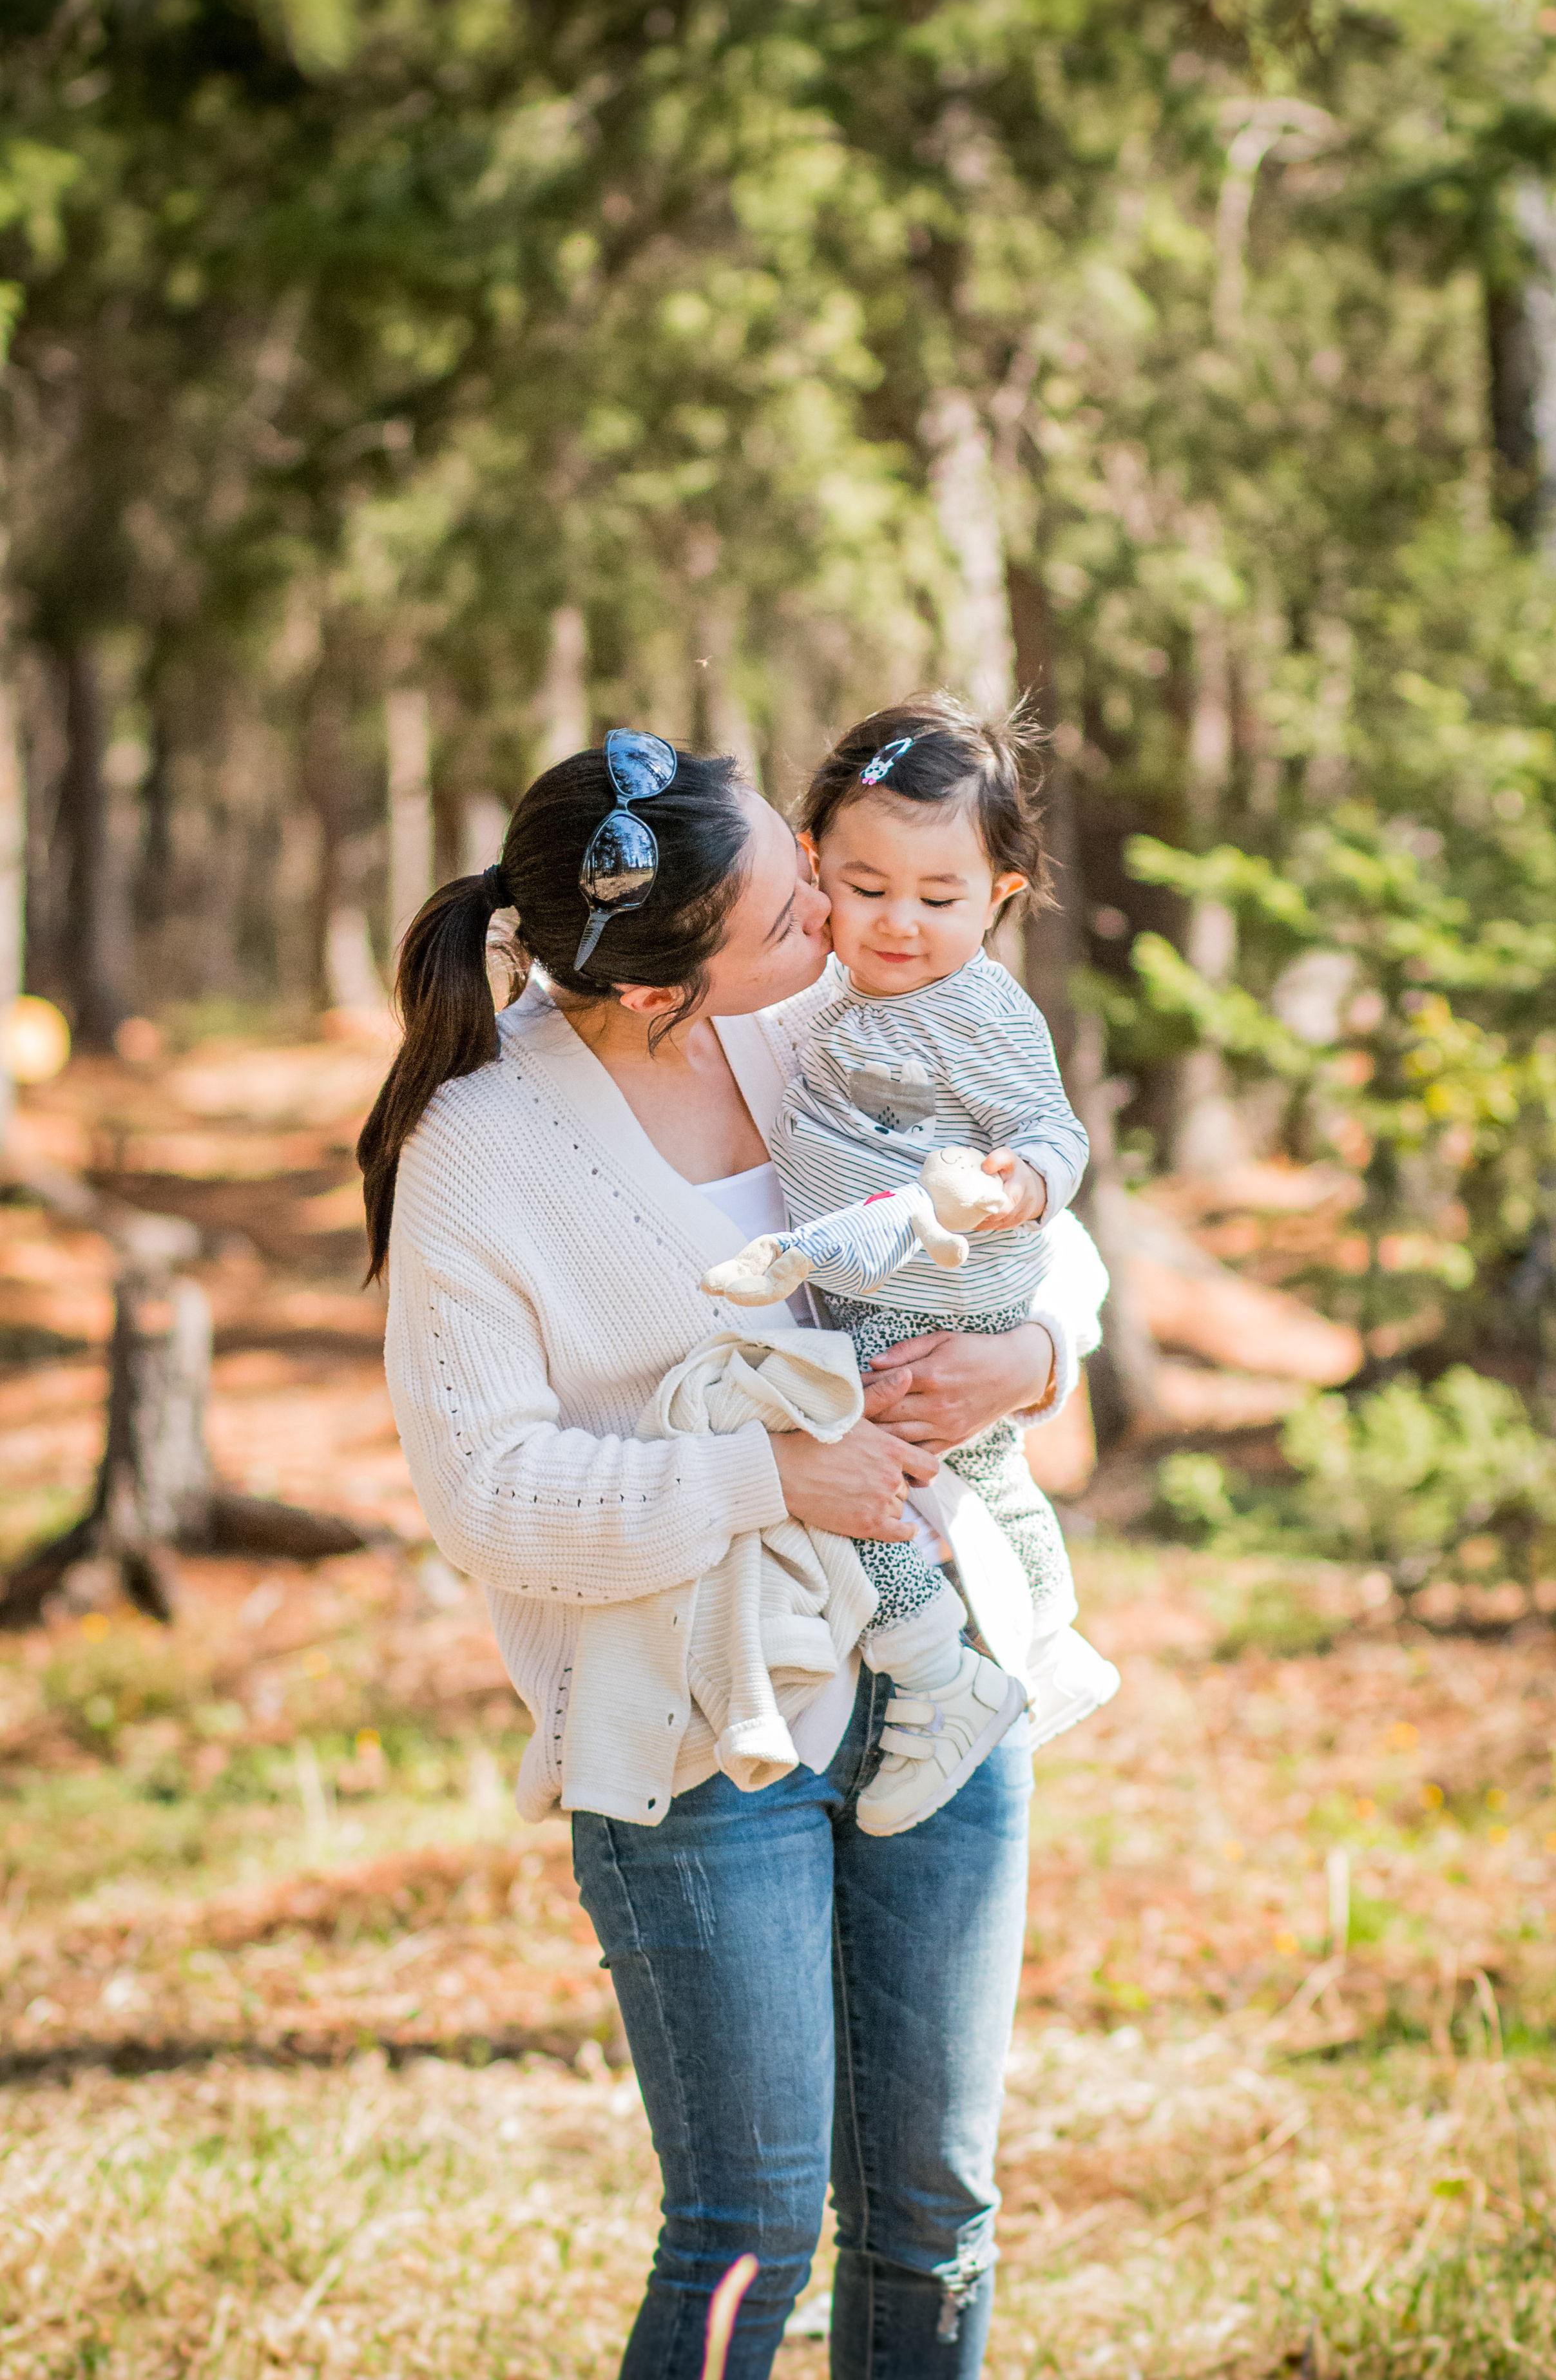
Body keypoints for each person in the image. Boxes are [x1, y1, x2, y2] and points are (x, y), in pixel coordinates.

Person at [360, 722, 1107, 2380]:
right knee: (752, 2230)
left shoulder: (832, 1024)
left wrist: (1039, 1353)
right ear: (656, 992)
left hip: (946, 1676)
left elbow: (1025, 1220)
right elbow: (489, 1493)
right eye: (795, 913)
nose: (842, 931)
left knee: (933, 2209)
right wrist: (768, 1474)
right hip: (710, 1734)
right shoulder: (482, 1151)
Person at [700, 696, 1115, 1840]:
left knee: (858, 1479)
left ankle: (942, 1675)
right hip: (890, 1280)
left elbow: (1056, 1133)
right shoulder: (808, 999)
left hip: (929, 1293)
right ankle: (1048, 1633)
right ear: (809, 863)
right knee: (985, 1470)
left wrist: (1023, 1187)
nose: (896, 924)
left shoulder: (974, 1011)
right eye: (865, 888)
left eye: (939, 900)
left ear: (1001, 898)